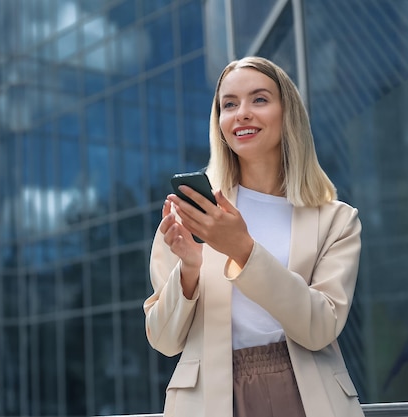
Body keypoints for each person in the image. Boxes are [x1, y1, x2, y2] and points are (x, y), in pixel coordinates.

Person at [143, 56, 364, 417]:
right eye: (229, 104)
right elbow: (164, 340)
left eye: (259, 99)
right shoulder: (194, 211)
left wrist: (243, 250)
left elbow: (321, 327)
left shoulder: (336, 220)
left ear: (286, 113)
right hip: (211, 399)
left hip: (308, 395)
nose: (242, 113)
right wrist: (189, 270)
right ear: (220, 122)